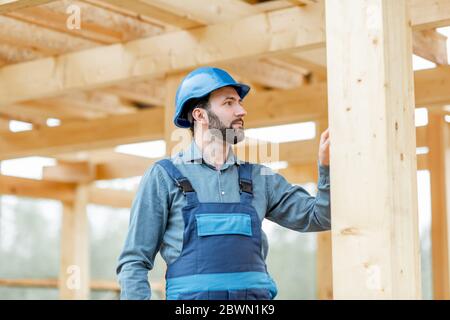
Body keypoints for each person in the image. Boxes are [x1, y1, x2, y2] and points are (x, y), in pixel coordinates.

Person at [116, 66, 331, 300]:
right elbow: (134, 262)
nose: (242, 110)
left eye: (239, 102)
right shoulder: (163, 177)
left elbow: (321, 216)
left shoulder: (260, 179)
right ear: (200, 115)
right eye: (229, 103)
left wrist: (327, 167)